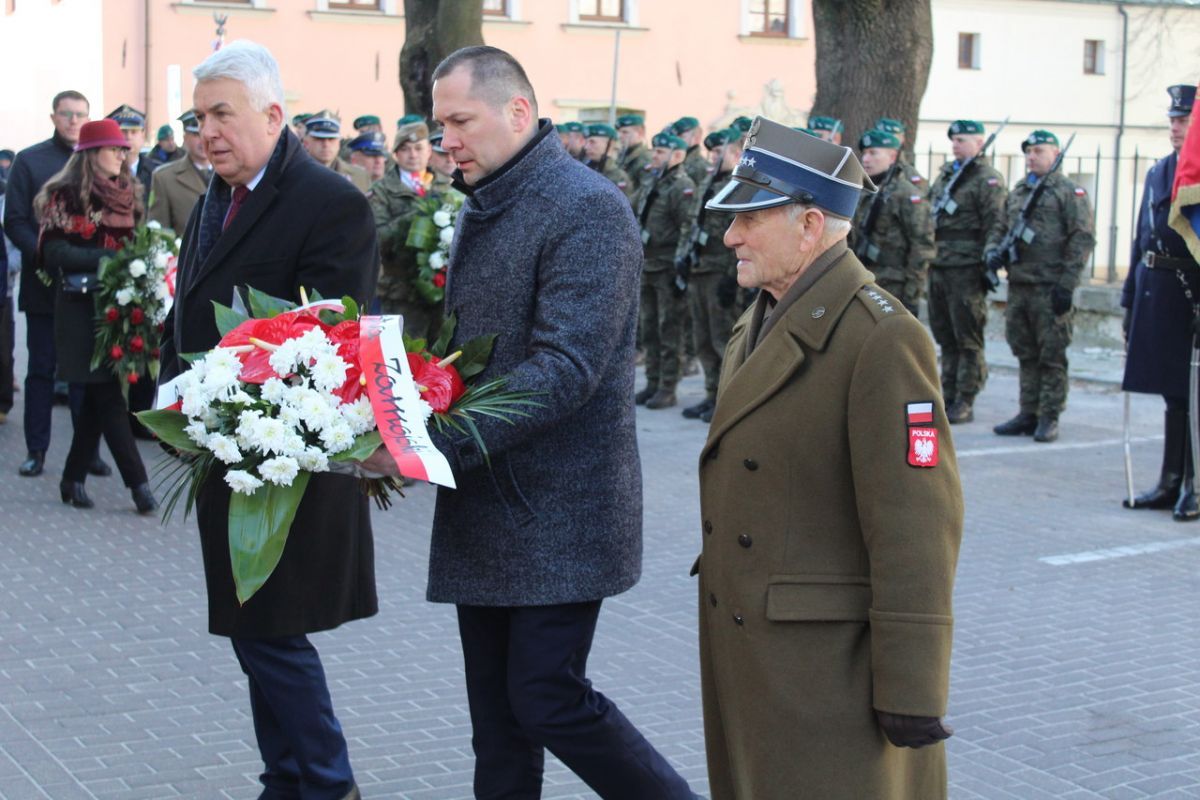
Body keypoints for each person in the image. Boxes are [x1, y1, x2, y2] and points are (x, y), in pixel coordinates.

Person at [360, 44, 698, 800]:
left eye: (459, 121)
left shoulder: (587, 208)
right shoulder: (490, 200)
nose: (444, 140)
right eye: (438, 124)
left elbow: (565, 369)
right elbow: (469, 354)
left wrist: (424, 443)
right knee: (500, 721)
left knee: (547, 699)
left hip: (560, 509)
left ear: (518, 112)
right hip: (491, 501)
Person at [695, 115, 962, 800]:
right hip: (753, 648)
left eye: (749, 220)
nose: (730, 236)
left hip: (825, 672)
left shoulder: (881, 339)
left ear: (810, 226)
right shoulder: (755, 319)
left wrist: (912, 684)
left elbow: (917, 529)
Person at [157, 41, 378, 800]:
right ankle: (287, 776)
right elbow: (189, 309)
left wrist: (241, 410)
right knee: (253, 630)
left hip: (287, 460)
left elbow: (330, 342)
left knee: (271, 630)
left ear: (274, 115)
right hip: (224, 449)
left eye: (224, 113)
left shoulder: (329, 202)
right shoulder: (220, 195)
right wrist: (170, 399)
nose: (207, 131)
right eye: (199, 116)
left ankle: (326, 782)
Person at [32, 119, 157, 513]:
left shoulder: (129, 191)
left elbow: (137, 244)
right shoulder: (65, 196)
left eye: (124, 148)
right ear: (91, 154)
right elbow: (52, 255)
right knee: (108, 397)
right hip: (79, 309)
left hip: (120, 308)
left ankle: (72, 478)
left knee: (97, 400)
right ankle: (140, 486)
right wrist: (109, 259)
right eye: (114, 149)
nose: (123, 154)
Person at [4, 89, 106, 478]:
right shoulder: (31, 161)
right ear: (53, 118)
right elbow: (14, 220)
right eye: (67, 114)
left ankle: (86, 453)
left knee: (84, 373)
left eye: (81, 113)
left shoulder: (98, 161)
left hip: (87, 288)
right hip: (44, 284)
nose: (74, 120)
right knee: (42, 369)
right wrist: (46, 256)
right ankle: (37, 451)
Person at [985, 130, 1095, 443]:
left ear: (1056, 154)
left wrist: (1067, 284)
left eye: (1039, 151)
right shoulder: (1019, 191)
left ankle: (1049, 415)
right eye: (1029, 152)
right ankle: (1027, 412)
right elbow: (1000, 227)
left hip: (1050, 286)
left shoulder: (1068, 192)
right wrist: (993, 253)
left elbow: (1082, 238)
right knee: (1024, 351)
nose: (1032, 157)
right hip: (1020, 285)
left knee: (1051, 354)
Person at [1122, 84, 1200, 521]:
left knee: (1194, 395)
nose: (1175, 127)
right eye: (1172, 119)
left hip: (1191, 290)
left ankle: (1195, 484)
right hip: (1159, 290)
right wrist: (1130, 297)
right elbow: (1141, 237)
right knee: (1173, 394)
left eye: (1184, 119)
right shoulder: (1159, 171)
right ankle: (1171, 481)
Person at [928, 120, 1008, 424]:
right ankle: (947, 393)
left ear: (979, 143)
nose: (955, 145)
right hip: (939, 265)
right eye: (954, 140)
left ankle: (966, 397)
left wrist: (987, 261)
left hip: (966, 269)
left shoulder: (987, 180)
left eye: (962, 140)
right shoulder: (947, 174)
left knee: (967, 337)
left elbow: (995, 224)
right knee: (945, 335)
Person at [676, 127, 740, 423]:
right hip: (699, 269)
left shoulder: (739, 186)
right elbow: (691, 224)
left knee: (721, 339)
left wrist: (731, 276)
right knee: (702, 338)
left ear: (737, 155)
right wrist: (683, 259)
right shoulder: (707, 182)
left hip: (719, 271)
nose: (713, 157)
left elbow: (738, 235)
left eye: (720, 152)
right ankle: (711, 392)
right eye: (711, 152)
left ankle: (726, 401)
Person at [635, 131, 696, 410]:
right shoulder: (653, 180)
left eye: (661, 152)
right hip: (648, 264)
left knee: (668, 328)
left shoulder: (681, 186)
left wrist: (680, 264)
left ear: (678, 156)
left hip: (667, 267)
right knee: (649, 328)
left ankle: (668, 386)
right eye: (655, 151)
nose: (655, 155)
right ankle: (652, 380)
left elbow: (687, 225)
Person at [367, 116, 441, 338]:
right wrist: (417, 215)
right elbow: (377, 239)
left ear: (429, 150)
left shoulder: (445, 185)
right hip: (400, 294)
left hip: (441, 291)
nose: (413, 155)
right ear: (396, 155)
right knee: (408, 357)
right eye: (406, 149)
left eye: (418, 148)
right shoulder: (381, 191)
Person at [850, 128, 935, 316]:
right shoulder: (863, 191)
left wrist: (912, 294)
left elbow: (922, 247)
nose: (866, 159)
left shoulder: (907, 195)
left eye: (873, 153)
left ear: (892, 156)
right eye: (864, 153)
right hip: (862, 280)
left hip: (894, 286)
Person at [148, 110, 212, 232]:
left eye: (206, 133)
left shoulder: (231, 172)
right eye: (196, 135)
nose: (203, 140)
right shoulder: (164, 178)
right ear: (184, 138)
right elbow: (158, 232)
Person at [302, 110, 372, 193]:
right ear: (306, 143)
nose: (326, 144)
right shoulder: (292, 175)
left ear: (338, 142)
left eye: (331, 139)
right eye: (319, 139)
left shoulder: (359, 177)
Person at [874, 116, 927, 198]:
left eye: (891, 137)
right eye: (880, 138)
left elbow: (922, 201)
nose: (885, 143)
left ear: (902, 139)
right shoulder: (865, 170)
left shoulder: (910, 173)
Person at [107, 105, 154, 195]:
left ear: (142, 135)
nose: (128, 137)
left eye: (134, 132)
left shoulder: (155, 171)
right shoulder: (105, 171)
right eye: (123, 131)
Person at [583, 123, 633, 200]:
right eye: (586, 142)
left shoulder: (618, 177)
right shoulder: (583, 170)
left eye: (592, 142)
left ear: (610, 144)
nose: (586, 147)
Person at [616, 113, 653, 196]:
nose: (620, 136)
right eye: (619, 132)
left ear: (640, 133)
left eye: (625, 132)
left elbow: (644, 192)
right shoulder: (622, 154)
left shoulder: (645, 159)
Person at [672, 116, 710, 187]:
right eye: (675, 137)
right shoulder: (673, 162)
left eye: (682, 137)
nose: (677, 141)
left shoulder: (702, 167)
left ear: (697, 137)